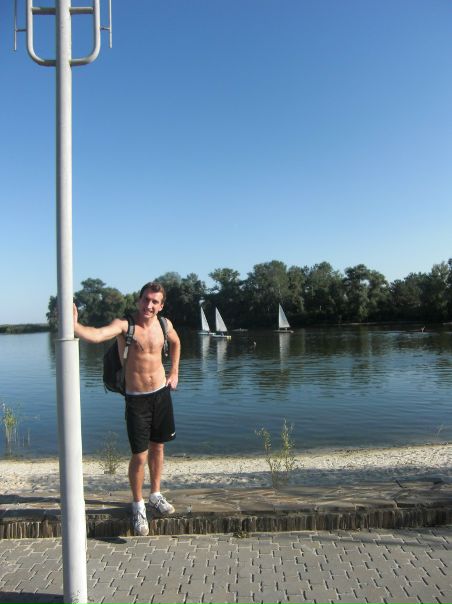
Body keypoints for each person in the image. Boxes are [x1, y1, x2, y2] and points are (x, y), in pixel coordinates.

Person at [73, 281, 181, 536]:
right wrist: (75, 326)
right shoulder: (125, 325)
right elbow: (97, 335)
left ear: (161, 305)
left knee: (158, 447)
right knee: (139, 455)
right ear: (138, 300)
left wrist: (174, 372)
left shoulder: (164, 324)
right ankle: (138, 504)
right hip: (137, 400)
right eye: (146, 299)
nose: (149, 305)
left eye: (155, 301)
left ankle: (155, 494)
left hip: (161, 394)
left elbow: (176, 343)